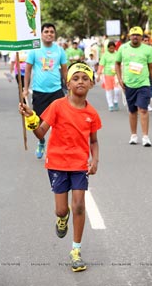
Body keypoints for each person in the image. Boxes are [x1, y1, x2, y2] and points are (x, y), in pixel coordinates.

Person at [19, 61, 102, 272]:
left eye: (85, 78)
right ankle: (62, 218)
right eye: (76, 78)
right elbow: (40, 133)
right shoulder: (57, 106)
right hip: (56, 163)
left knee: (80, 206)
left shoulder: (91, 113)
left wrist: (95, 160)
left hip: (79, 164)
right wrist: (31, 118)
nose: (80, 81)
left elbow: (93, 140)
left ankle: (76, 251)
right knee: (61, 209)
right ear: (68, 83)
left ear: (91, 84)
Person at [23, 23, 67, 159]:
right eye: (46, 31)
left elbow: (65, 70)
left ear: (55, 34)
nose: (49, 34)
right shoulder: (34, 50)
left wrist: (69, 87)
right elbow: (28, 70)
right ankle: (41, 141)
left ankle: (56, 148)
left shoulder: (60, 50)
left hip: (56, 91)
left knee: (59, 122)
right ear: (41, 34)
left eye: (52, 32)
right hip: (39, 92)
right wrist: (25, 89)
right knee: (38, 122)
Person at [115, 26, 152, 147]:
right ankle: (133, 135)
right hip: (129, 84)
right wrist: (119, 79)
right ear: (130, 36)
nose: (135, 37)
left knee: (143, 109)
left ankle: (145, 136)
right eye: (133, 35)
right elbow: (117, 63)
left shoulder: (148, 49)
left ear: (141, 37)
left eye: (137, 35)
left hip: (144, 83)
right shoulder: (123, 48)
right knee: (132, 110)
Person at [96, 41, 120, 111]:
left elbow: (120, 63)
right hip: (108, 75)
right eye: (110, 48)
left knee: (117, 90)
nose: (112, 50)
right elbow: (101, 65)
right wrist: (98, 75)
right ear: (108, 48)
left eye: (113, 48)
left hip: (116, 75)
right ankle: (110, 105)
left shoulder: (117, 54)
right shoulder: (105, 55)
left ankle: (115, 101)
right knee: (109, 90)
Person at [142, 34, 152, 112]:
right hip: (139, 74)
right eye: (145, 41)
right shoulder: (137, 49)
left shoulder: (151, 49)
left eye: (147, 41)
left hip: (149, 72)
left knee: (149, 88)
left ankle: (148, 104)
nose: (147, 42)